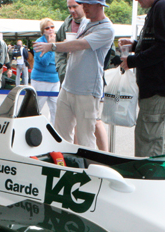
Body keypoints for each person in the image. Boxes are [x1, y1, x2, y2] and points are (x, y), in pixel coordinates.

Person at [34, 0, 114, 150]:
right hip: (68, 86)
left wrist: (52, 46)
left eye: (88, 4)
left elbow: (80, 44)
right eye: (83, 4)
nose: (85, 7)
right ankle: (64, 165)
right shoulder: (84, 22)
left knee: (86, 137)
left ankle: (89, 168)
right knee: (60, 135)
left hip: (87, 91)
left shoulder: (107, 29)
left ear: (100, 5)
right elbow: (74, 44)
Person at [119, 0, 165, 157]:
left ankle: (150, 178)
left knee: (149, 141)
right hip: (162, 86)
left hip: (160, 87)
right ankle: (155, 177)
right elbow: (164, 43)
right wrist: (137, 45)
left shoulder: (164, 7)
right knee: (153, 139)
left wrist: (133, 61)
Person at [32, 18, 60, 126]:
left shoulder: (58, 40)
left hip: (55, 79)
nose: (50, 30)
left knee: (56, 109)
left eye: (52, 27)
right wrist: (51, 46)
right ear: (43, 31)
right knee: (37, 107)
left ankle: (54, 131)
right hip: (41, 79)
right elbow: (44, 61)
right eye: (47, 28)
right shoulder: (39, 43)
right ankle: (32, 128)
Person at [55, 0, 84, 86]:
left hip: (87, 79)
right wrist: (62, 69)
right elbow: (58, 49)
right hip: (67, 78)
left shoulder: (94, 23)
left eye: (75, 7)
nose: (71, 10)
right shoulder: (66, 25)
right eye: (69, 7)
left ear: (84, 5)